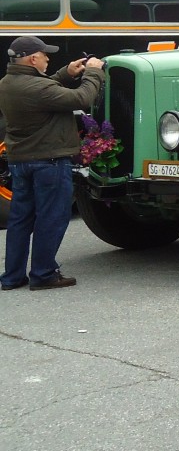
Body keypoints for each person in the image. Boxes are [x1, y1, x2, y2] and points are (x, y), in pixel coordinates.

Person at [0, 36, 106, 291]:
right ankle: (44, 273)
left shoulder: (8, 83)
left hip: (21, 161)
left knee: (20, 220)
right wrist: (93, 73)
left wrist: (65, 73)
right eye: (45, 54)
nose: (48, 58)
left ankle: (12, 277)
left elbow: (45, 92)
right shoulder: (37, 88)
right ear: (32, 58)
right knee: (52, 217)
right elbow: (81, 99)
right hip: (48, 161)